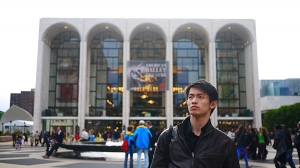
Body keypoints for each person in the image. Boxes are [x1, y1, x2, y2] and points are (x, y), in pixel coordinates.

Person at [151, 80, 239, 168]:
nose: (194, 101)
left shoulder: (225, 143)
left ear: (213, 104)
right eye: (190, 97)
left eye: (200, 97)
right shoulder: (168, 137)